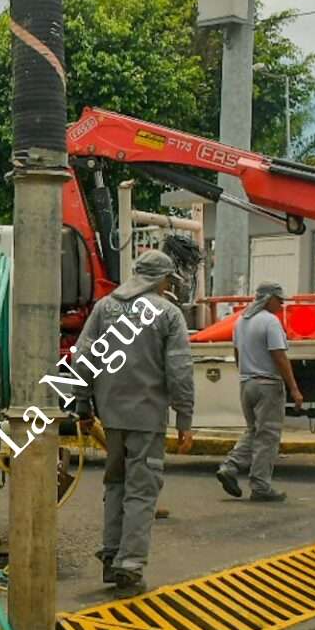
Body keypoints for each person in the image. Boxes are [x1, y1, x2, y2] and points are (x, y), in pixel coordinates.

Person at [74, 250, 194, 598]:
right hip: (147, 418)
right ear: (162, 279)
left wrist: (83, 406)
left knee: (115, 485)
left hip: (111, 417)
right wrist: (185, 418)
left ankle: (112, 555)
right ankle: (130, 565)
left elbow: (84, 357)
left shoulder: (104, 308)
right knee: (142, 491)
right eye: (169, 279)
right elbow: (180, 370)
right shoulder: (168, 314)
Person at [216, 281, 303, 503]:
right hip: (268, 385)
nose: (282, 304)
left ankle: (230, 466)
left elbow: (237, 353)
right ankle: (260, 485)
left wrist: (245, 375)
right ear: (268, 299)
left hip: (247, 384)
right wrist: (294, 388)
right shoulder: (270, 322)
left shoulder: (241, 322)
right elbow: (279, 357)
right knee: (268, 436)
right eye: (279, 299)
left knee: (253, 430)